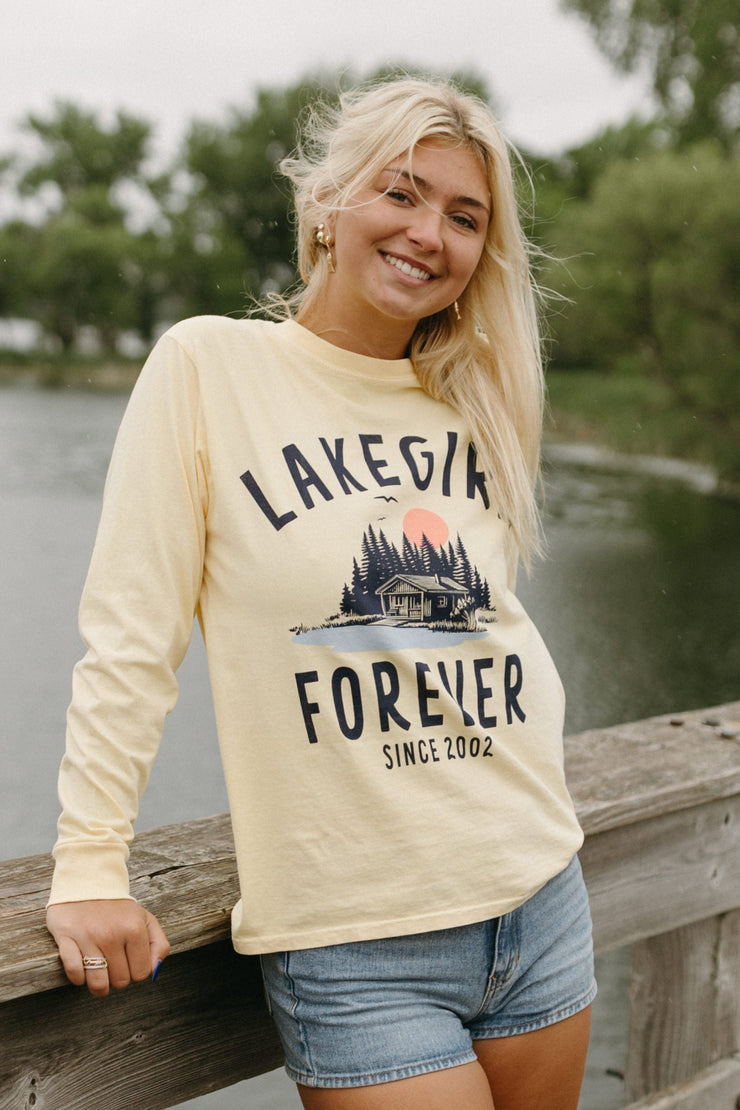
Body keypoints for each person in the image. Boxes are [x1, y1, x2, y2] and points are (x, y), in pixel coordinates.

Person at [46, 76, 596, 1110]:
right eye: (400, 192)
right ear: (327, 205)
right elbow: (129, 640)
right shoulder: (208, 368)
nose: (427, 232)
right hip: (356, 938)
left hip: (534, 890)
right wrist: (88, 867)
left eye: (463, 216)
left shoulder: (471, 402)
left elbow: (476, 636)